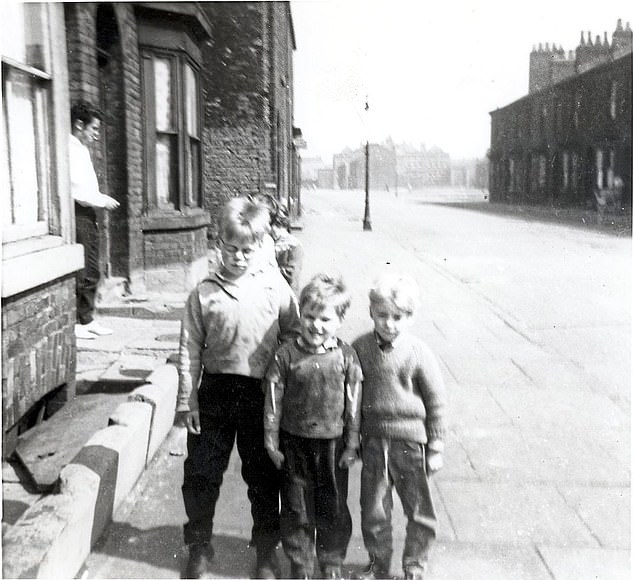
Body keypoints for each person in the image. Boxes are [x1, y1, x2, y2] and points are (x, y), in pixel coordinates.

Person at [176, 196, 301, 579]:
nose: (239, 257)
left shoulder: (275, 288)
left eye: (248, 249)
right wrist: (188, 400)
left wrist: (287, 396)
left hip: (260, 396)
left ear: (261, 245)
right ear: (219, 244)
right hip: (214, 392)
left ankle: (265, 552)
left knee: (263, 477)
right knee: (201, 473)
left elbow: (294, 338)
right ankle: (199, 546)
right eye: (231, 248)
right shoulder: (204, 291)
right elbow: (189, 348)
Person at [263, 274, 362, 579]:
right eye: (309, 316)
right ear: (301, 315)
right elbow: (273, 398)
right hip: (295, 444)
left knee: (332, 506)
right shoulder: (285, 356)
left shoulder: (346, 357)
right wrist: (271, 441)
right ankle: (301, 563)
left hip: (332, 446)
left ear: (340, 321)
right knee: (296, 508)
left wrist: (352, 443)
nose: (316, 325)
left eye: (325, 319)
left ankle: (331, 561)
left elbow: (354, 402)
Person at [352, 272, 446, 580]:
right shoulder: (361, 348)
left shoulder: (418, 352)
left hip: (410, 445)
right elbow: (351, 396)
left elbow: (436, 401)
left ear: (410, 317)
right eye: (382, 315)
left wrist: (436, 446)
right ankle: (378, 567)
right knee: (374, 511)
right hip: (375, 444)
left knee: (419, 511)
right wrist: (351, 441)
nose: (389, 324)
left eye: (398, 317)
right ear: (371, 313)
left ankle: (414, 568)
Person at [69, 100, 119, 340]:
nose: (97, 135)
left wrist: (99, 199)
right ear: (80, 125)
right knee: (85, 270)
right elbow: (76, 188)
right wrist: (101, 200)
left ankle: (87, 319)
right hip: (78, 213)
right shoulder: (69, 149)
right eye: (94, 129)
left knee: (93, 269)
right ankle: (78, 322)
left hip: (88, 213)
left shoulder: (81, 148)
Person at [270, 206, 304, 295]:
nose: (273, 230)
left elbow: (292, 273)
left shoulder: (293, 245)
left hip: (287, 292)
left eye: (278, 226)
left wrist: (267, 271)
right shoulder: (270, 242)